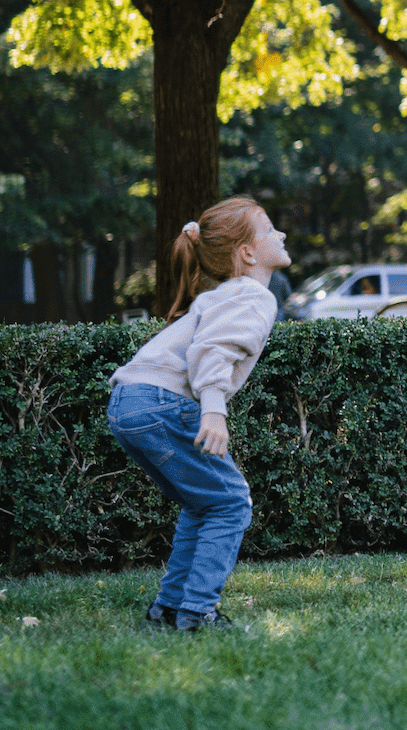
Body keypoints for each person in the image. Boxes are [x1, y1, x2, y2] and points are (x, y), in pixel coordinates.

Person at [107, 197, 289, 630]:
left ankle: (169, 607)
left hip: (128, 402)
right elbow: (210, 352)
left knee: (203, 502)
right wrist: (214, 412)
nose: (280, 234)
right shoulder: (252, 295)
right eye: (269, 229)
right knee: (230, 503)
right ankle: (197, 611)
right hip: (161, 401)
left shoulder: (224, 294)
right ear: (246, 253)